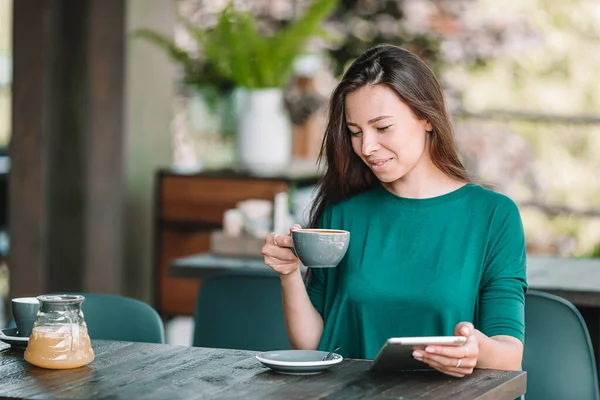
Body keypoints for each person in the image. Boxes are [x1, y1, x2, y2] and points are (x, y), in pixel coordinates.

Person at [262, 44, 527, 378]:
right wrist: (288, 275)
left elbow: (509, 355)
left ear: (427, 118)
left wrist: (476, 350)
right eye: (355, 132)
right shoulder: (342, 212)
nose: (366, 147)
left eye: (383, 128)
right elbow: (313, 344)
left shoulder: (493, 215)